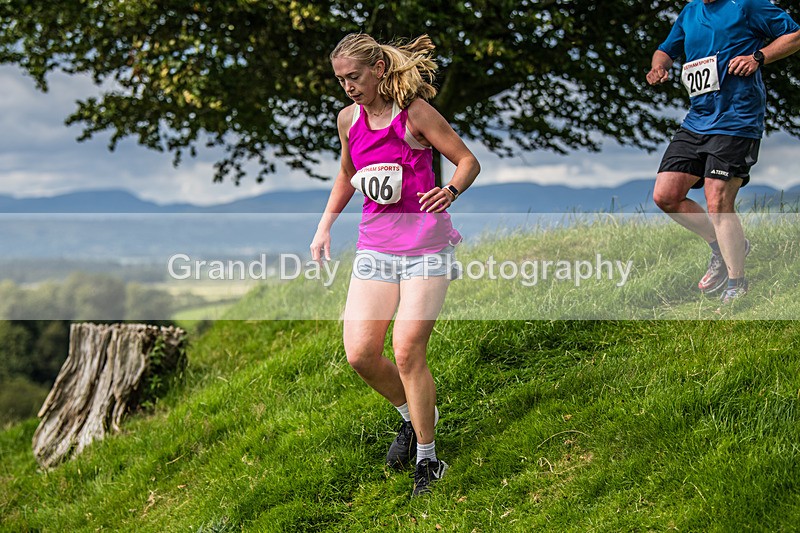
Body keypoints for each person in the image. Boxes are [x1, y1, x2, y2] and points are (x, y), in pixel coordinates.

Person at [310, 33, 480, 497]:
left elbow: (467, 161)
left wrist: (451, 191)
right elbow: (348, 175)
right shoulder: (349, 120)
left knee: (406, 350)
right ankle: (410, 417)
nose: (347, 87)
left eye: (355, 77)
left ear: (379, 70)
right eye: (341, 79)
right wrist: (324, 227)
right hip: (375, 251)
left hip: (427, 249)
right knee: (361, 354)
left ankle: (429, 459)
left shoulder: (416, 114)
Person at [647, 0, 800, 303]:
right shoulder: (690, 12)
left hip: (737, 120)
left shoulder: (747, 6)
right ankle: (724, 246)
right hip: (696, 122)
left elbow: (794, 36)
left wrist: (759, 56)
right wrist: (659, 66)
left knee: (717, 198)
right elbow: (665, 49)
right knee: (665, 195)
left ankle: (737, 284)